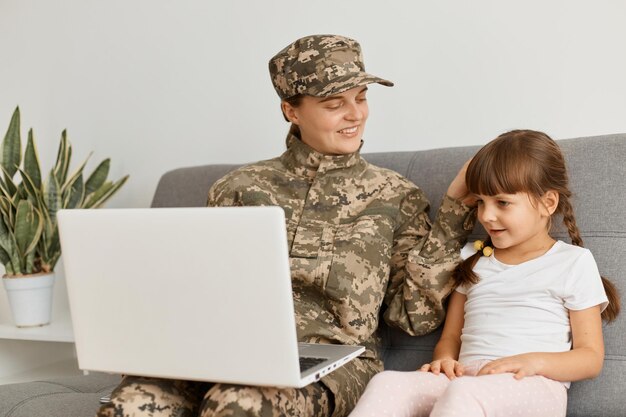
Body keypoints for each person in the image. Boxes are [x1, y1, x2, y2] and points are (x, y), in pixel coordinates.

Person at [97, 34, 475, 417]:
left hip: (336, 364)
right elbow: (201, 291)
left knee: (239, 403)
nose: (355, 114)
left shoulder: (396, 195)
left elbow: (413, 317)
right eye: (334, 104)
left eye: (361, 97)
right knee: (129, 405)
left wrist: (452, 218)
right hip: (230, 351)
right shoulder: (237, 189)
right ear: (291, 111)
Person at [349, 129, 621, 417]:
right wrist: (443, 361)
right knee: (387, 383)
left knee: (462, 394)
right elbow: (451, 337)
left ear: (548, 203)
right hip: (466, 380)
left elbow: (590, 359)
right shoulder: (473, 259)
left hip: (534, 386)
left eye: (502, 202)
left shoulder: (573, 262)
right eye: (480, 201)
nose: (486, 216)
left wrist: (533, 362)